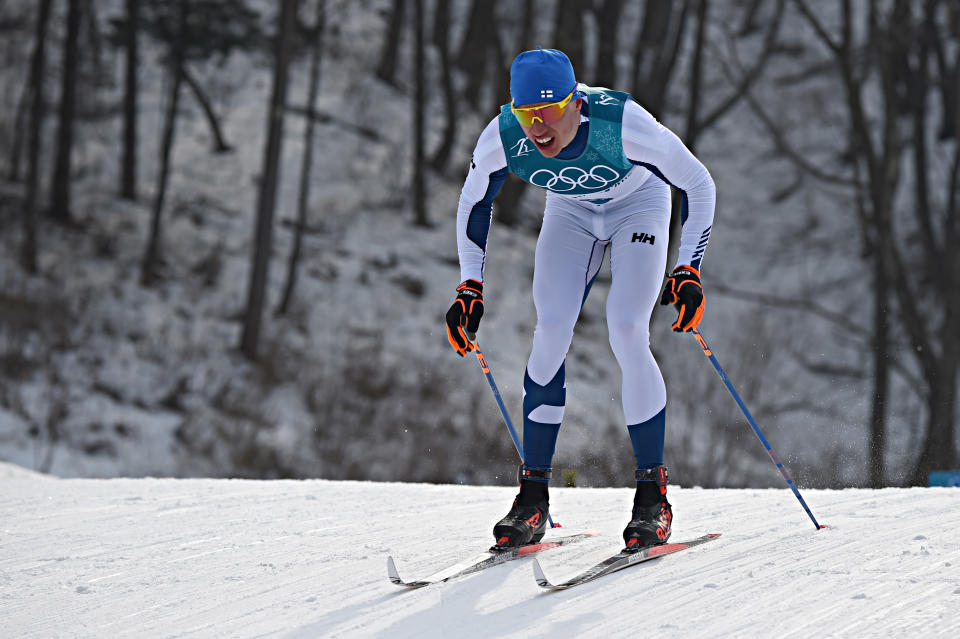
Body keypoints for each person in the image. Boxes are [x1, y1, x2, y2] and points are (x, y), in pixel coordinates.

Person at [444, 48, 715, 551]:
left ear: (576, 103)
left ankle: (653, 499)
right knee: (549, 333)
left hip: (639, 204)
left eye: (548, 113)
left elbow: (697, 182)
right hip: (570, 213)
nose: (538, 128)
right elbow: (474, 200)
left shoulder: (624, 124)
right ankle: (533, 500)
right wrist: (468, 286)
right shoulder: (502, 136)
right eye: (527, 115)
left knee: (628, 330)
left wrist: (688, 269)